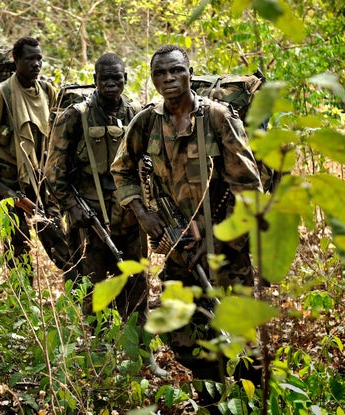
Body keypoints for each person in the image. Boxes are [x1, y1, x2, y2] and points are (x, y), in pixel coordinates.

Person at [110, 44, 263, 412]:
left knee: (242, 337)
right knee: (181, 331)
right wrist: (144, 214)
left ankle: (255, 401)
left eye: (176, 71)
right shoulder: (146, 121)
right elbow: (121, 171)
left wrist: (215, 236)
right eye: (161, 73)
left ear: (189, 74)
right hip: (180, 248)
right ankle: (212, 397)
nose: (169, 79)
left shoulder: (217, 118)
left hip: (227, 250)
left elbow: (249, 186)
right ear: (152, 78)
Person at [45, 53, 148, 325]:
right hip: (90, 220)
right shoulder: (75, 116)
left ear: (125, 79)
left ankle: (139, 349)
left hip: (130, 216)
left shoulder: (137, 114)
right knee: (92, 289)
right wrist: (71, 207)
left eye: (117, 77)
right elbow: (54, 171)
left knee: (136, 287)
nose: (111, 83)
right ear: (95, 81)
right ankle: (100, 353)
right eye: (105, 78)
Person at [0, 37, 59, 281]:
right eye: (29, 59)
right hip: (9, 182)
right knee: (18, 244)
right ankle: (23, 299)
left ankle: (81, 296)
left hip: (40, 177)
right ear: (16, 60)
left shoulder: (47, 91)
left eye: (39, 58)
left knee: (56, 234)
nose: (36, 64)